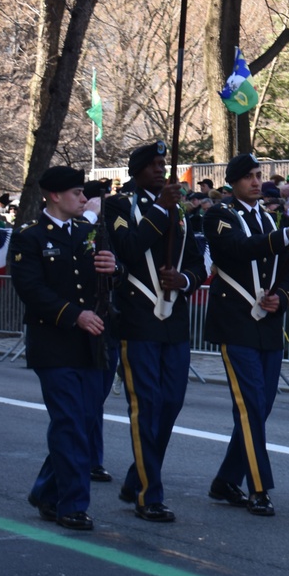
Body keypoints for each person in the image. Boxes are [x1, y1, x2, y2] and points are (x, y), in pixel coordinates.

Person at [204, 153, 289, 517]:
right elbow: (237, 249)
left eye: (258, 175)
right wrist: (285, 234)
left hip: (267, 324)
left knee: (261, 407)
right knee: (250, 405)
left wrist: (280, 298)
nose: (256, 182)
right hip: (235, 323)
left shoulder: (268, 217)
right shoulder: (220, 215)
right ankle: (257, 486)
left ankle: (225, 479)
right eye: (249, 177)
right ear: (234, 181)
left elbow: (287, 269)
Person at [11, 166, 119, 531]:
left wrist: (112, 268)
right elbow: (31, 290)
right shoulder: (31, 237)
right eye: (76, 193)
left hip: (91, 344)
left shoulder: (91, 234)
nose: (83, 199)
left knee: (83, 423)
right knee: (70, 422)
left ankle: (45, 490)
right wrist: (75, 316)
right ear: (54, 195)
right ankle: (71, 504)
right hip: (54, 343)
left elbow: (105, 284)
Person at [105, 141, 207, 523]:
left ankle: (137, 478)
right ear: (137, 170)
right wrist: (160, 211)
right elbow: (128, 249)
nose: (161, 170)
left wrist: (185, 279)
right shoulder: (119, 206)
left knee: (170, 404)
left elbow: (198, 263)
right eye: (153, 165)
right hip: (139, 320)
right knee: (146, 407)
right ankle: (150, 495)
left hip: (174, 322)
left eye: (164, 164)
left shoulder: (177, 211)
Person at [81, 179, 119, 485]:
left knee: (98, 397)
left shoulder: (110, 234)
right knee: (87, 399)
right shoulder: (80, 231)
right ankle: (86, 458)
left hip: (109, 323)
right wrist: (88, 219)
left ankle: (92, 458)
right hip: (82, 323)